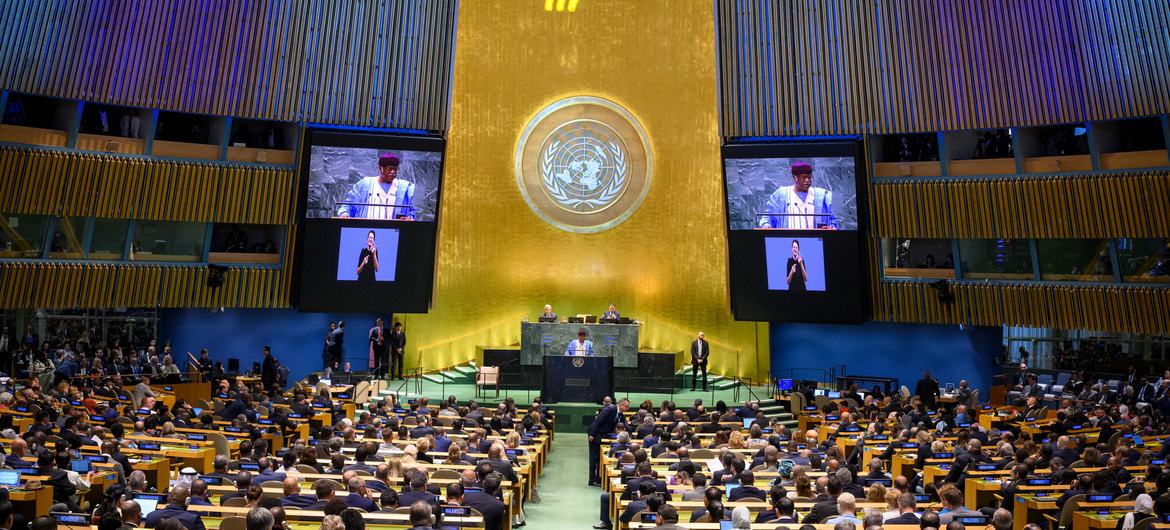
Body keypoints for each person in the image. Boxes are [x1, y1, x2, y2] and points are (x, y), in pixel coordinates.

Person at [759, 161, 837, 229]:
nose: (807, 181)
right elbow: (767, 217)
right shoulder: (781, 195)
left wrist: (832, 227)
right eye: (804, 178)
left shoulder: (822, 196)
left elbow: (834, 220)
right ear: (794, 177)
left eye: (809, 177)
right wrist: (766, 225)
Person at [337, 153, 415, 220]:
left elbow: (412, 211)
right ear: (381, 168)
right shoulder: (365, 184)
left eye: (395, 169)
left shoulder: (403, 188)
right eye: (390, 169)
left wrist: (410, 218)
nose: (393, 172)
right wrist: (344, 214)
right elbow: (348, 205)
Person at [587, 398, 629, 486]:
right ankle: (592, 480)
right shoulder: (609, 409)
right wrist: (591, 435)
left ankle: (599, 479)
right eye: (627, 406)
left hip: (604, 436)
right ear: (621, 405)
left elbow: (625, 426)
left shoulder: (620, 414)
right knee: (594, 458)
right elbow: (598, 421)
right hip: (595, 435)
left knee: (600, 458)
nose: (627, 408)